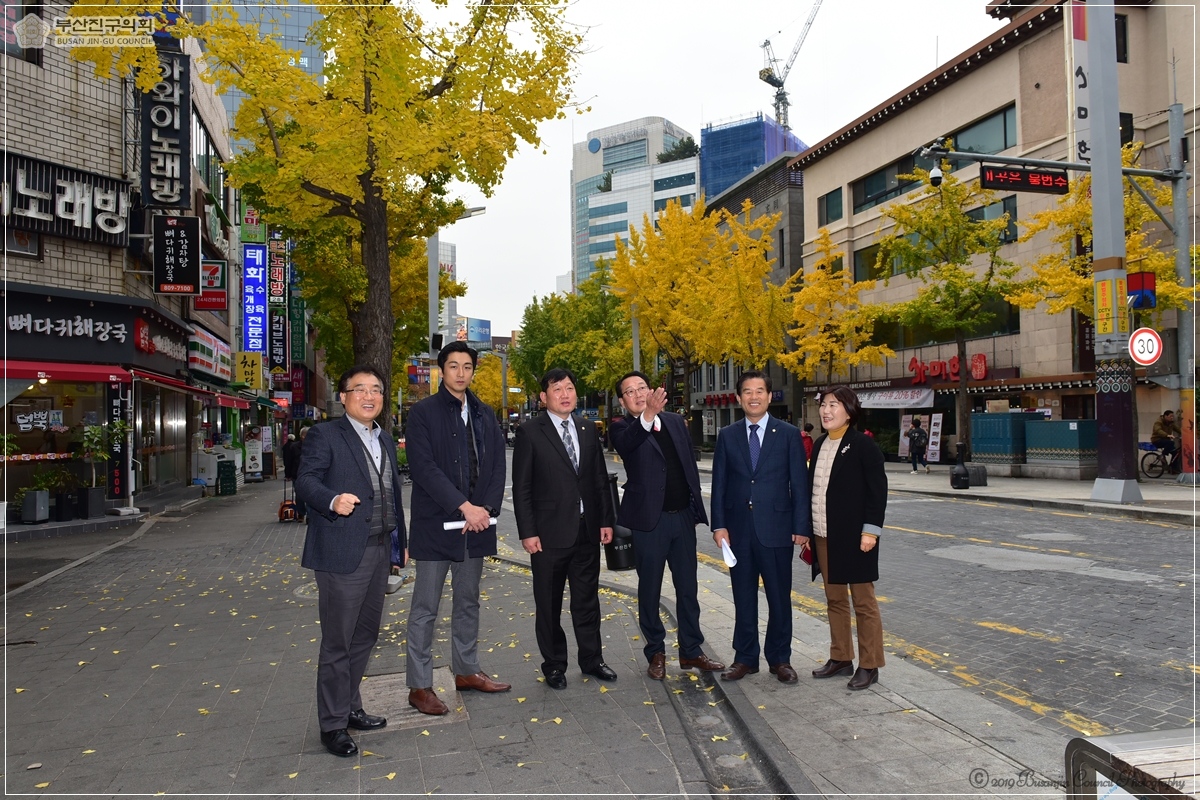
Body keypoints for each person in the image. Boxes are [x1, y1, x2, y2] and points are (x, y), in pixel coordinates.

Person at [295, 365, 407, 757]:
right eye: (359, 389)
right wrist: (332, 500)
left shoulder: (386, 440)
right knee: (338, 642)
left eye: (376, 388)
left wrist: (400, 543)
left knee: (365, 637)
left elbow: (391, 494)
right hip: (342, 553)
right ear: (343, 397)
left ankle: (350, 707)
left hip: (379, 549)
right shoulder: (326, 434)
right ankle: (332, 725)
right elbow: (305, 481)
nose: (369, 395)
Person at [404, 342, 510, 716]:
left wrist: (486, 510)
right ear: (441, 370)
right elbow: (424, 468)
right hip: (437, 526)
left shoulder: (484, 412)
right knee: (425, 608)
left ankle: (466, 670)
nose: (461, 373)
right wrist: (464, 506)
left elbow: (497, 466)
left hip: (476, 526)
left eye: (467, 366)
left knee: (468, 601)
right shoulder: (422, 413)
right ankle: (419, 685)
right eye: (453, 366)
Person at [610, 371, 725, 681]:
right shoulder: (620, 428)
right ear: (622, 401)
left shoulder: (674, 421)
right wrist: (647, 415)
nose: (637, 394)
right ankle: (656, 652)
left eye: (642, 388)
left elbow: (687, 464)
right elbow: (629, 447)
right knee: (650, 590)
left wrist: (695, 507)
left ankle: (691, 650)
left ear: (651, 390)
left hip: (682, 517)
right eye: (630, 391)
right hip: (649, 523)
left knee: (688, 588)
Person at [512, 368, 616, 690]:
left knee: (587, 601)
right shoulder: (530, 432)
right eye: (557, 389)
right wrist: (528, 532)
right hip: (547, 536)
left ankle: (592, 659)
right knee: (549, 604)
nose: (565, 394)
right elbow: (522, 488)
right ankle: (554, 665)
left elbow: (599, 479)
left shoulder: (587, 429)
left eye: (570, 387)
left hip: (586, 532)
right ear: (544, 397)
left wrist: (606, 521)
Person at [710, 370, 809, 684]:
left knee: (779, 597)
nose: (754, 397)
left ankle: (780, 659)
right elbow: (720, 484)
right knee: (743, 596)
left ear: (769, 396)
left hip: (777, 528)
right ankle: (745, 658)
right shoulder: (728, 435)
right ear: (739, 398)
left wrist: (801, 525)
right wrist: (719, 526)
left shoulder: (789, 434)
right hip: (738, 531)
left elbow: (800, 484)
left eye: (760, 391)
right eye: (747, 392)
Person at [801, 386, 888, 691]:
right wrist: (810, 531)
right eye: (823, 405)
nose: (826, 411)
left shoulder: (863, 445)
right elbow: (815, 492)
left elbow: (878, 492)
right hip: (824, 536)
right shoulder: (822, 443)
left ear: (849, 410)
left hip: (856, 538)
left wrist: (870, 531)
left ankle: (870, 664)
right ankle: (841, 657)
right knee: (834, 600)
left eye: (833, 405)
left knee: (863, 602)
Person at [281, 432, 307, 522]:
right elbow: (288, 461)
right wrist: (288, 475)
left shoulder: (316, 445)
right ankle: (301, 513)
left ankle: (310, 516)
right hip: (297, 474)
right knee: (299, 495)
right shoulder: (294, 447)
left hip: (312, 475)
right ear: (302, 436)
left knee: (311, 495)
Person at [1152, 410, 1182, 474]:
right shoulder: (1158, 422)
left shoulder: (1171, 423)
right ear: (1165, 416)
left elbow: (1178, 429)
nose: (1172, 418)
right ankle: (1162, 456)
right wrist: (1167, 435)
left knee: (1175, 453)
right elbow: (1158, 430)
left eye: (1172, 417)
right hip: (1157, 440)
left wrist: (1186, 435)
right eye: (1170, 416)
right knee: (1171, 442)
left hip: (1166, 440)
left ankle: (1172, 469)